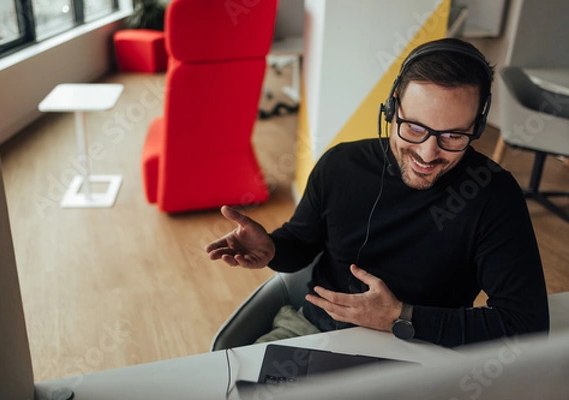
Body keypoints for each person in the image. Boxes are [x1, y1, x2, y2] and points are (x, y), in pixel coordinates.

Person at [205, 38, 550, 348]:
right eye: (414, 127)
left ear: (478, 124)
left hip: (425, 348)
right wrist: (273, 248)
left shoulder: (494, 195)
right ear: (391, 108)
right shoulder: (341, 165)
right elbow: (302, 240)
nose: (428, 154)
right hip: (314, 330)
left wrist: (401, 318)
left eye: (453, 136)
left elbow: (525, 322)